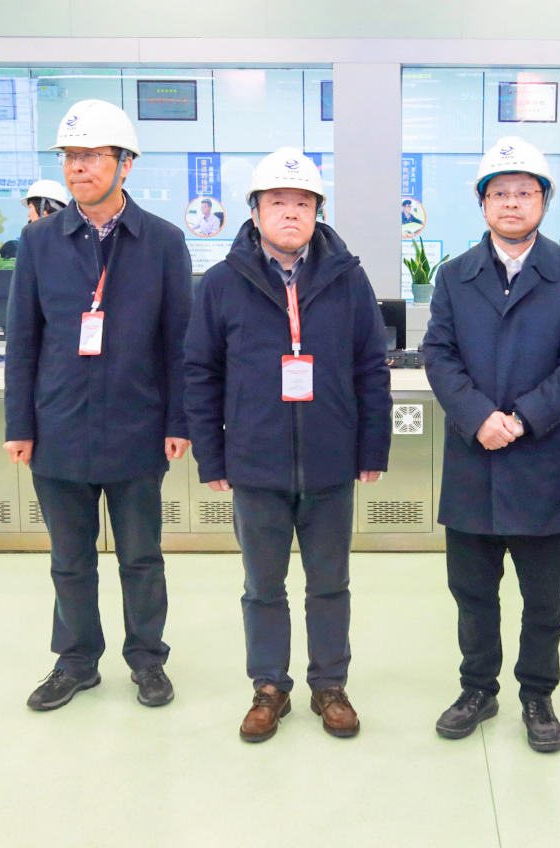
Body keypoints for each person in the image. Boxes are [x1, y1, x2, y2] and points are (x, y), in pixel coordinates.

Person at [184, 148, 391, 743]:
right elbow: (200, 372)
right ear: (255, 211)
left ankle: (330, 685)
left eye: (303, 202)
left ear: (318, 210)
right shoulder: (222, 283)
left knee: (330, 584)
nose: (291, 212)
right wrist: (211, 455)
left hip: (330, 461)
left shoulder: (348, 278)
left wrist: (371, 449)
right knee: (262, 588)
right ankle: (269, 687)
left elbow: (370, 367)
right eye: (278, 201)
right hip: (256, 464)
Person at [4, 99, 193, 712]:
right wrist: (19, 424)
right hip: (57, 426)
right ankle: (76, 662)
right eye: (69, 157)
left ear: (125, 163)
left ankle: (147, 659)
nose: (76, 168)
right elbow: (23, 340)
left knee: (141, 557)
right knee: (69, 560)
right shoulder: (39, 241)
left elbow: (179, 342)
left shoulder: (163, 241)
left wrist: (178, 420)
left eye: (90, 156)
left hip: (137, 426)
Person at [422, 136, 560, 753]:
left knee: (543, 598)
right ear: (482, 203)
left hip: (540, 460)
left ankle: (537, 695)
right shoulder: (454, 276)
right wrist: (479, 417)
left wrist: (522, 418)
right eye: (499, 193)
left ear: (544, 200)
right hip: (473, 461)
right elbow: (438, 355)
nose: (512, 203)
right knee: (472, 593)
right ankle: (478, 688)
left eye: (525, 192)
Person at [0, 180, 71, 268]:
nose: (28, 214)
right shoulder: (71, 247)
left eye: (31, 208)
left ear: (44, 210)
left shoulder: (15, 250)